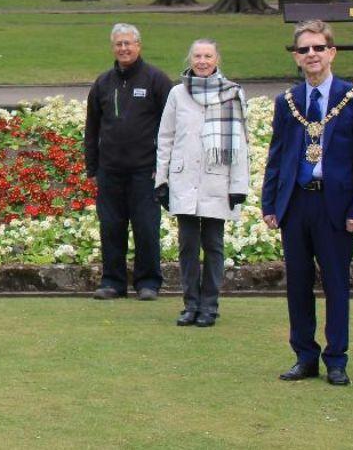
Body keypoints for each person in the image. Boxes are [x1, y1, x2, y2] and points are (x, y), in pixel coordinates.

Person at [262, 20, 353, 387]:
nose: (311, 54)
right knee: (297, 284)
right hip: (296, 203)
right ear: (297, 57)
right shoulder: (288, 102)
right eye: (304, 49)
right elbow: (277, 155)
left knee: (336, 284)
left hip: (335, 206)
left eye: (318, 48)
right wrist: (270, 202)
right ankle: (304, 357)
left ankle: (337, 359)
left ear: (331, 52)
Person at [155, 39, 249, 327]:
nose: (203, 61)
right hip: (184, 178)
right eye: (197, 56)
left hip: (216, 180)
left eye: (208, 56)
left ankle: (209, 305)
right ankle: (190, 304)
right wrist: (162, 179)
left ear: (216, 59)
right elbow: (166, 137)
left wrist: (238, 186)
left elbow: (241, 141)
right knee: (187, 245)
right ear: (190, 59)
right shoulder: (177, 93)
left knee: (213, 244)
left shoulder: (233, 92)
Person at [84, 23, 173, 301]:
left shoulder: (156, 80)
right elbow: (92, 127)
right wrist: (92, 167)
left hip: (145, 171)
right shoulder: (103, 83)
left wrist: (164, 167)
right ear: (113, 48)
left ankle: (148, 282)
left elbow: (172, 125)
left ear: (138, 46)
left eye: (128, 43)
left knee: (146, 227)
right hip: (110, 170)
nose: (124, 48)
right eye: (119, 44)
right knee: (111, 227)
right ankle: (113, 281)